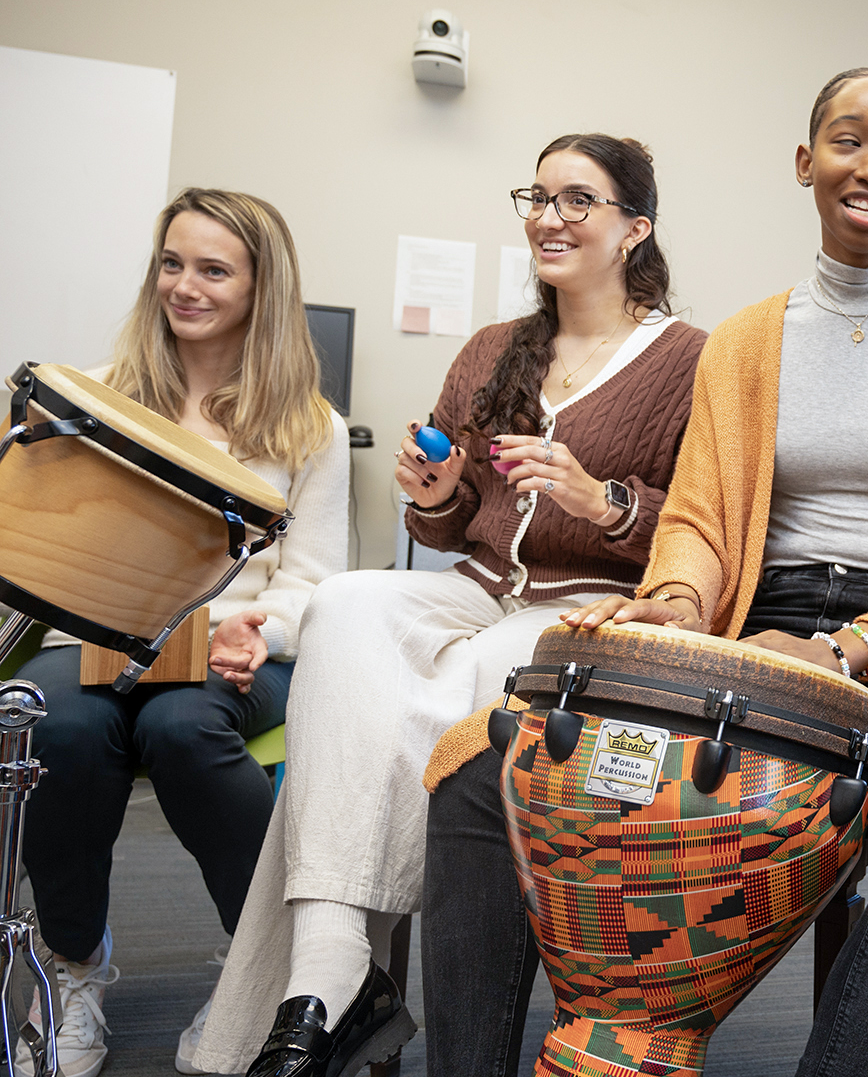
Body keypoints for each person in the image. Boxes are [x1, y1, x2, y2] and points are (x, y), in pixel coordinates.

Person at [416, 67, 868, 1076]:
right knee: (481, 773)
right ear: (805, 163)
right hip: (757, 620)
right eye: (847, 140)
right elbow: (701, 518)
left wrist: (850, 646)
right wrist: (670, 604)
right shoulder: (749, 339)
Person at [192, 134, 707, 1077]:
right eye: (538, 197)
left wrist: (603, 501)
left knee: (457, 687)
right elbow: (450, 527)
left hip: (589, 605)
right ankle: (345, 977)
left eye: (578, 201)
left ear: (636, 228)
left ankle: (324, 988)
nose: (548, 218)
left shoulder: (690, 362)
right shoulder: (490, 352)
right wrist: (434, 495)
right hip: (472, 587)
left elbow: (711, 525)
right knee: (347, 603)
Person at [12, 189, 349, 1077]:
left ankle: (255, 980)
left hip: (238, 648)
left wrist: (255, 631)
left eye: (212, 269)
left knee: (181, 726)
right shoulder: (101, 399)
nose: (184, 285)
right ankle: (70, 967)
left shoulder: (310, 427)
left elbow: (314, 583)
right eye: (172, 263)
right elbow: (52, 550)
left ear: (260, 287)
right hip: (97, 637)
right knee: (58, 726)